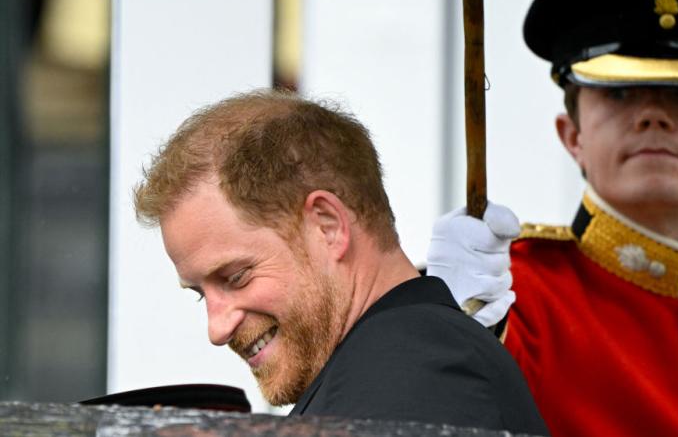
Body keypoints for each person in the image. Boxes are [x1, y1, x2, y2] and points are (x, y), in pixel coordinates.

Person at [427, 0, 678, 436]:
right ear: (572, 136)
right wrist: (433, 323)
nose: (653, 115)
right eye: (620, 92)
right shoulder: (504, 302)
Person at [133, 90, 549, 434]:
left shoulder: (416, 371)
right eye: (199, 295)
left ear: (327, 226)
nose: (217, 329)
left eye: (236, 277)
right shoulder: (386, 365)